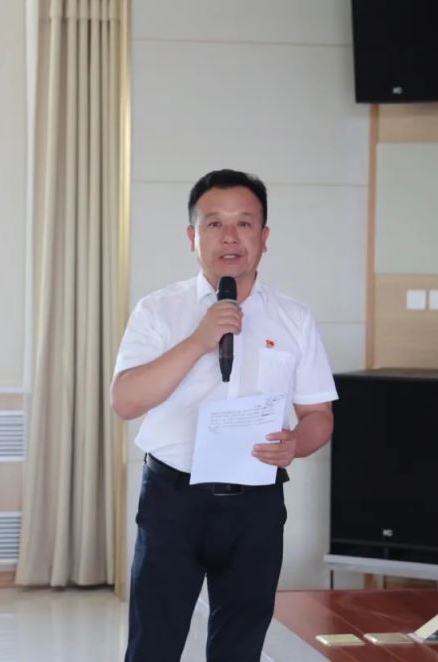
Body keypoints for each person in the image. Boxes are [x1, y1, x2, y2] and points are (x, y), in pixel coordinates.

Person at [111, 169, 337, 661]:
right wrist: (199, 340)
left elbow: (319, 414)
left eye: (244, 223)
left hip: (256, 503)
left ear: (264, 237)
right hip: (173, 498)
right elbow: (125, 400)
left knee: (240, 646)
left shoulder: (294, 318)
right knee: (153, 644)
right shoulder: (159, 310)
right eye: (214, 224)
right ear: (192, 237)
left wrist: (296, 443)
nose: (230, 237)